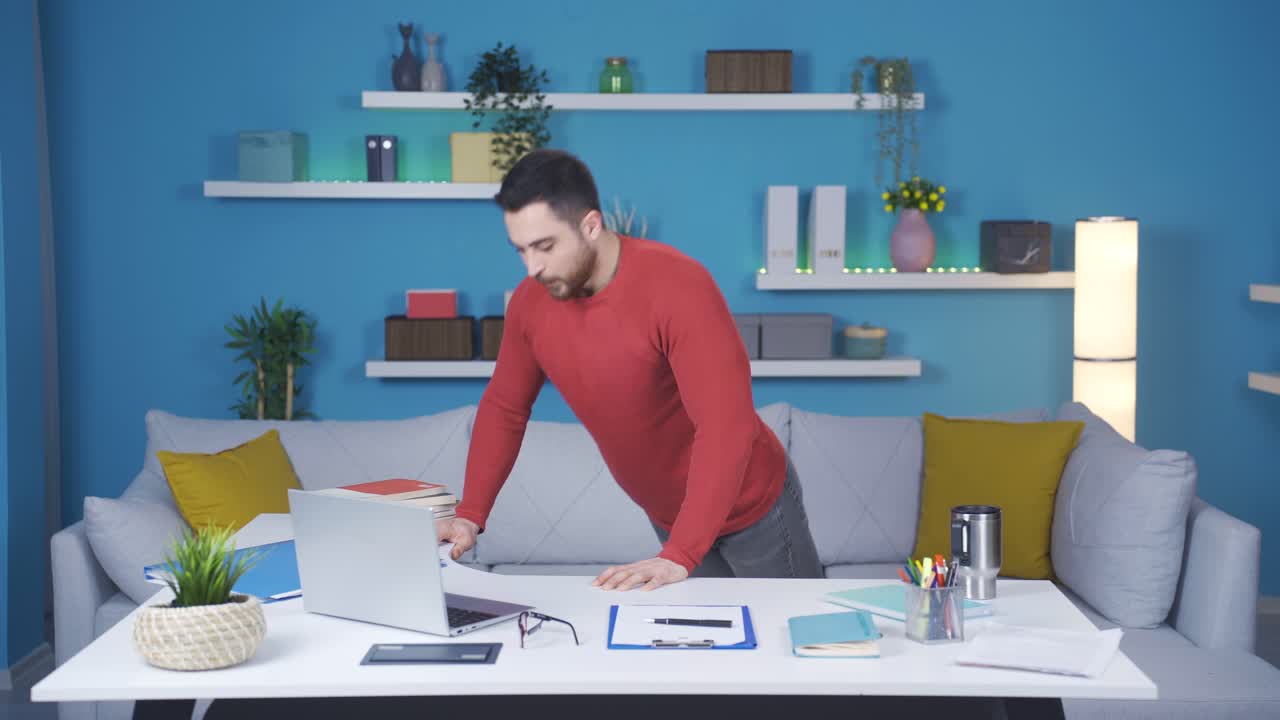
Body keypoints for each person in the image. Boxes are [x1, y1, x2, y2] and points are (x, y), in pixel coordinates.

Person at [435, 148, 824, 590]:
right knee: (715, 654)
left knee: (800, 649)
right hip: (671, 519)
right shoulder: (530, 305)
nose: (533, 267)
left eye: (545, 246)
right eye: (521, 250)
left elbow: (725, 427)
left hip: (755, 508)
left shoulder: (678, 286)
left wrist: (681, 552)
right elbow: (505, 409)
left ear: (591, 225)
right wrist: (470, 515)